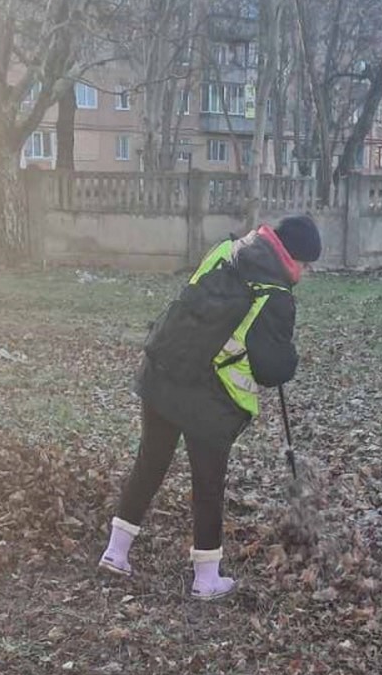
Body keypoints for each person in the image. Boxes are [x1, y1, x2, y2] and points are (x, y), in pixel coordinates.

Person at [99, 214, 322, 598]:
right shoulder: (276, 295)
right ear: (293, 258)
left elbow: (193, 301)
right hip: (209, 397)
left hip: (164, 369)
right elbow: (271, 369)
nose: (305, 272)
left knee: (149, 463)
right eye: (305, 264)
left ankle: (115, 552)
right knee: (207, 485)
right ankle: (206, 579)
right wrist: (290, 358)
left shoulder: (226, 250)